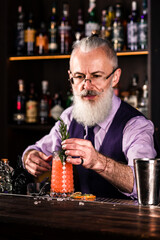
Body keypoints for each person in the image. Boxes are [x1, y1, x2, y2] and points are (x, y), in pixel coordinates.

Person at [22, 36, 157, 199]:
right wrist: (30, 156)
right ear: (70, 77)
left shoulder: (135, 125)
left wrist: (99, 162)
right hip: (77, 221)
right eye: (79, 77)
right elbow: (38, 150)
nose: (86, 86)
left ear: (115, 77)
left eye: (96, 76)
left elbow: (144, 183)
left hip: (125, 222)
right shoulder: (69, 117)